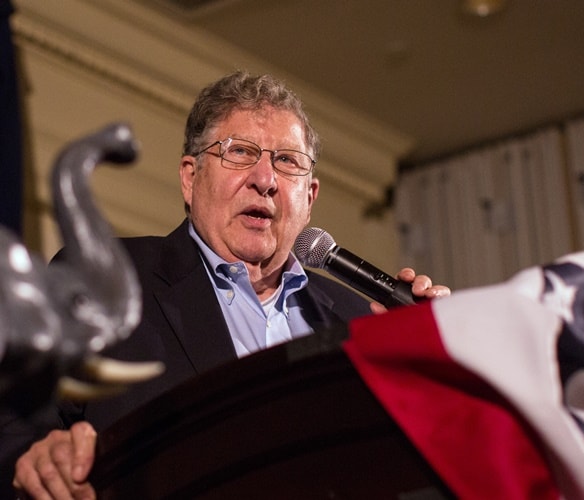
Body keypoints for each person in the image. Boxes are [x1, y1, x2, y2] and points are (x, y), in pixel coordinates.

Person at [9, 71, 450, 498]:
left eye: (287, 161)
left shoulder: (359, 320)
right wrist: (35, 459)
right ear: (190, 177)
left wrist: (438, 366)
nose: (265, 180)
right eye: (239, 152)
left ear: (310, 198)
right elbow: (13, 426)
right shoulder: (109, 277)